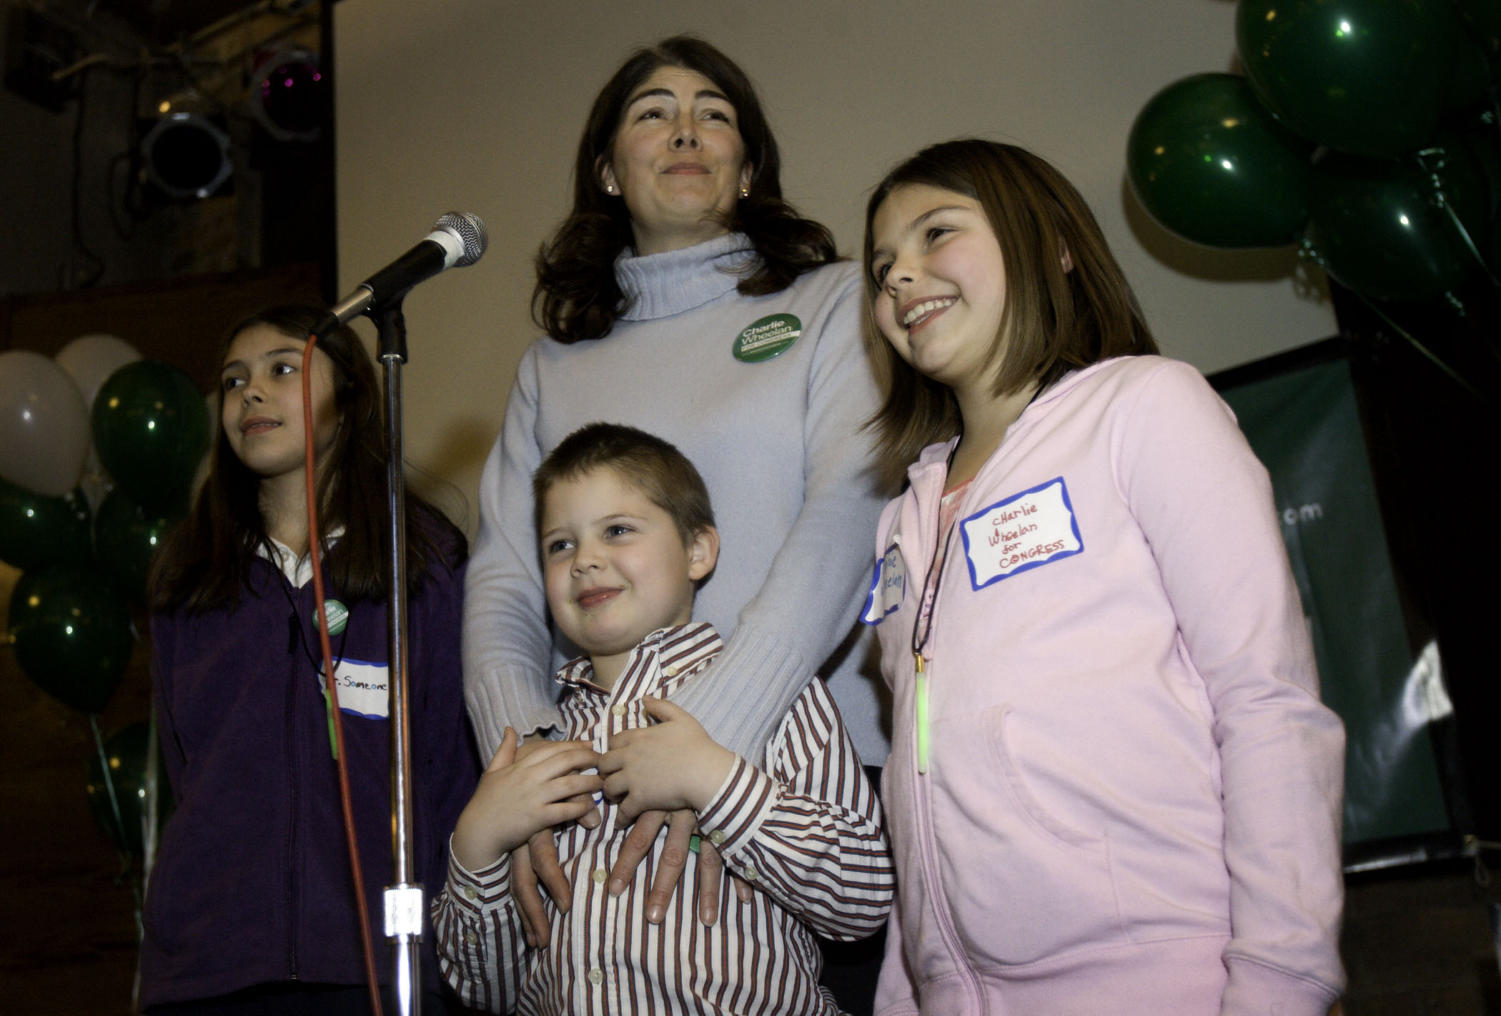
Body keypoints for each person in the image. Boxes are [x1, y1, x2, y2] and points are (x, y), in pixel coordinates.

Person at [858, 140, 1346, 1015]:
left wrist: (1280, 982)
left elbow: (1264, 701)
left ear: (1052, 246)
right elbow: (915, 780)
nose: (900, 276)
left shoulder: (1144, 407)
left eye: (936, 233)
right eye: (881, 264)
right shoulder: (902, 516)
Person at [461, 32, 888, 988]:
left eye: (715, 113)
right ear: (608, 171)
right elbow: (500, 578)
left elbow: (850, 508)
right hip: (599, 790)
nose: (686, 128)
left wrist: (712, 738)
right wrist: (532, 762)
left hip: (799, 781)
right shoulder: (552, 366)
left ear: (747, 168)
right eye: (652, 112)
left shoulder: (831, 302)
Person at [434, 423, 893, 1014]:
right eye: (560, 545)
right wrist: (475, 845)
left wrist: (715, 781)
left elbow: (860, 900)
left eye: (618, 531)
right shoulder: (535, 754)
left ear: (698, 550)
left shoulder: (779, 700)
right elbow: (483, 990)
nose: (585, 561)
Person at [140, 306, 478, 1013]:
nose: (250, 393)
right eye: (234, 381)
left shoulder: (421, 561)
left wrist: (452, 933)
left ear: (351, 397)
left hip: (379, 966)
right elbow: (185, 770)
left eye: (281, 370)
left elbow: (449, 763)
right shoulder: (190, 576)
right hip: (213, 969)